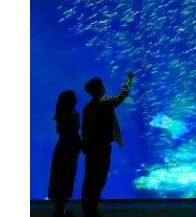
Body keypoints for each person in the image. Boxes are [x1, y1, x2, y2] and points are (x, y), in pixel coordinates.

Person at [80, 71, 135, 217]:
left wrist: (85, 146)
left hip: (91, 148)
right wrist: (129, 80)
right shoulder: (104, 103)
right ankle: (92, 211)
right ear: (99, 89)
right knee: (99, 179)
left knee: (90, 179)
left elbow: (84, 128)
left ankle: (88, 210)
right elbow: (122, 96)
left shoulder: (87, 107)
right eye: (102, 85)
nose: (104, 87)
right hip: (102, 147)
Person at [48, 90, 82, 217]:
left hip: (62, 147)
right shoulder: (72, 115)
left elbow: (60, 131)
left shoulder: (61, 114)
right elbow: (71, 134)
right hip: (69, 149)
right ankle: (61, 212)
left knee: (59, 178)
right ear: (70, 100)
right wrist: (80, 144)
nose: (77, 98)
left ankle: (60, 211)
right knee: (66, 178)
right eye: (74, 97)